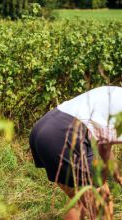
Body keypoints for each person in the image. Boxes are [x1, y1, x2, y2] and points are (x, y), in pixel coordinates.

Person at [29, 86, 122, 220]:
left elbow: (104, 146)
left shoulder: (116, 92)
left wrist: (117, 176)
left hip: (45, 127)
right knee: (102, 206)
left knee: (80, 199)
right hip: (64, 134)